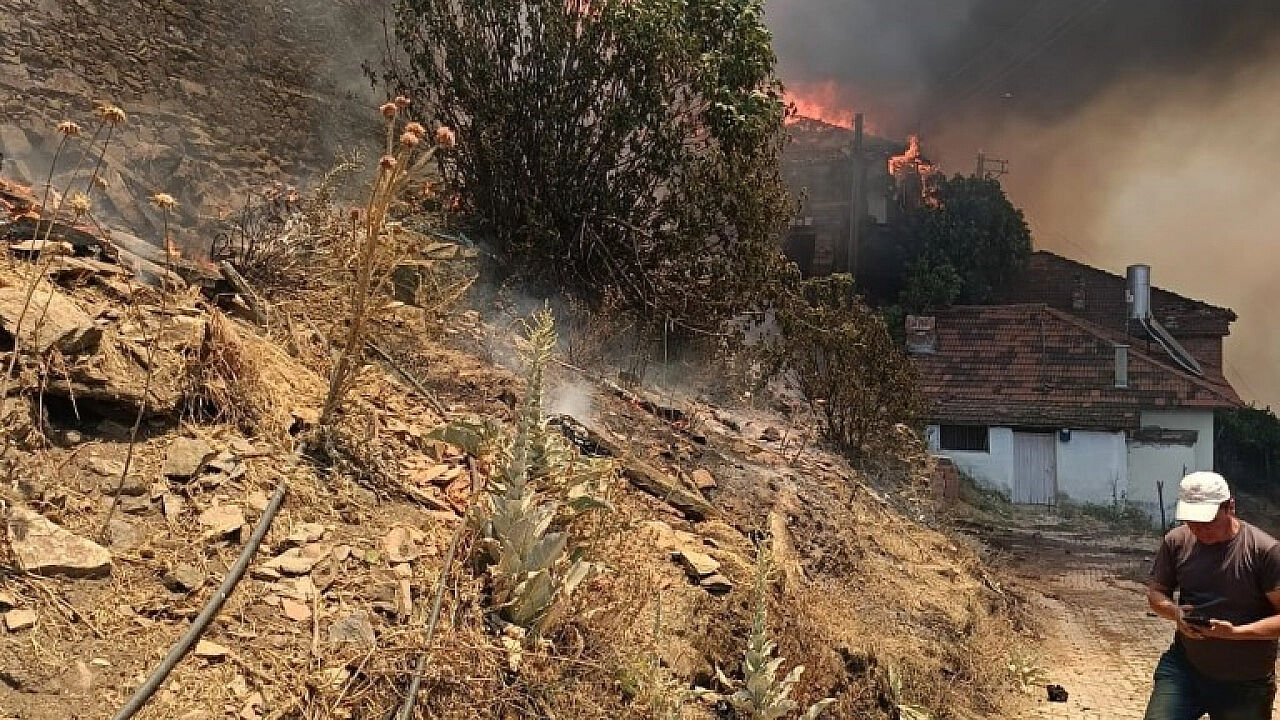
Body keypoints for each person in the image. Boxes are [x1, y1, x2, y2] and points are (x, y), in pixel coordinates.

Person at [1144, 471, 1280, 720]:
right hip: (1185, 670)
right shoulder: (1177, 542)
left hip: (1246, 683)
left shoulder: (1264, 551)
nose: (1198, 530)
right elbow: (1156, 594)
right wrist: (1176, 613)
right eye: (1191, 522)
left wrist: (1236, 633)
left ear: (1230, 507)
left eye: (1207, 521)